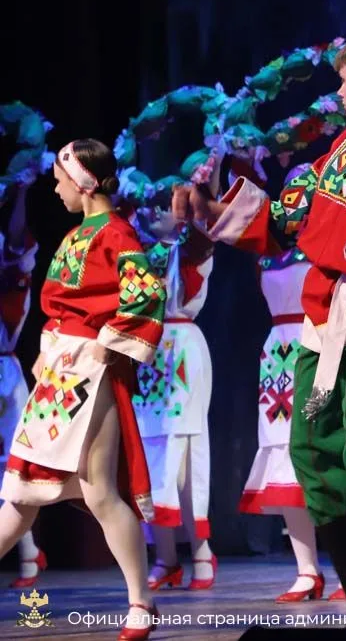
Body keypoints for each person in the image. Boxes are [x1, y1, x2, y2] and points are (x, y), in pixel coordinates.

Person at [172, 31, 346, 618]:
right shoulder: (343, 147)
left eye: (344, 81)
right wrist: (212, 212)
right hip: (322, 318)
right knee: (311, 448)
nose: (339, 93)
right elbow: (286, 217)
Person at [0, 140, 165, 640]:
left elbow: (145, 294)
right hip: (57, 374)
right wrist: (49, 343)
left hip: (89, 373)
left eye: (60, 180)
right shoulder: (77, 234)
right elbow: (60, 307)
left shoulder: (117, 234)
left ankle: (140, 601)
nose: (56, 189)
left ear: (84, 182)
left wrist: (106, 344)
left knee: (99, 492)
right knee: (22, 494)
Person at [235, 163, 341, 602]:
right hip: (278, 355)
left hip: (321, 343)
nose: (294, 202)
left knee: (331, 456)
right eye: (289, 194)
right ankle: (307, 570)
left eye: (304, 193)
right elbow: (235, 215)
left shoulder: (331, 246)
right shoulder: (271, 252)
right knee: (284, 456)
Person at [129, 204, 217, 591]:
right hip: (148, 353)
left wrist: (201, 187)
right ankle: (165, 557)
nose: (154, 212)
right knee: (150, 453)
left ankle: (201, 552)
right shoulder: (139, 252)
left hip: (182, 349)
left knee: (185, 451)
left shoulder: (190, 247)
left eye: (164, 205)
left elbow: (204, 229)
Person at [0, 184, 48, 588]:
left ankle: (29, 554)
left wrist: (20, 191)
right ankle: (30, 554)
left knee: (11, 469)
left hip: (5, 377)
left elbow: (17, 238)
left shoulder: (13, 273)